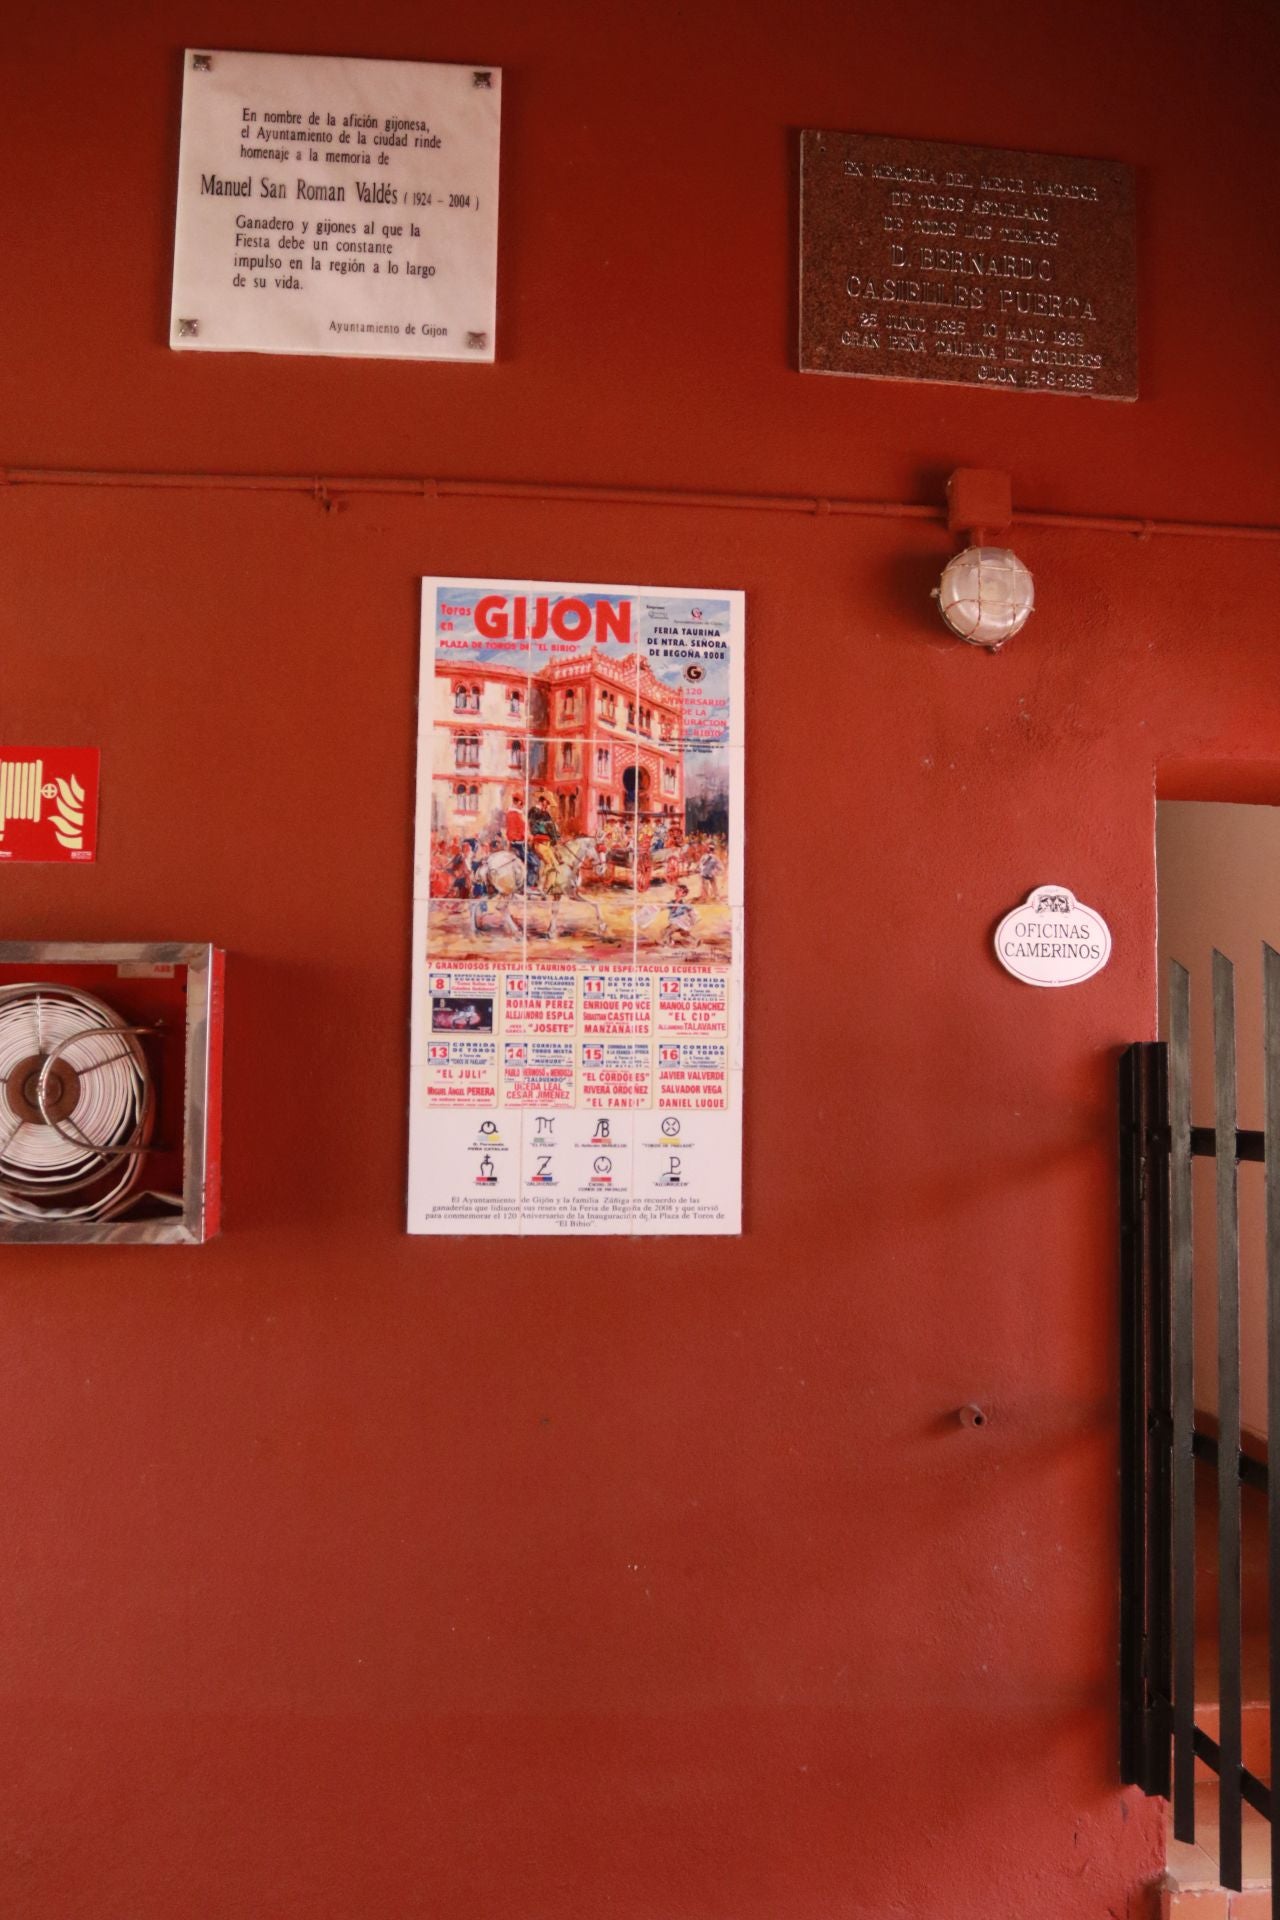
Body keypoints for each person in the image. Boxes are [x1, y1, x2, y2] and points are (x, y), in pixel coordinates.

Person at [505, 792, 537, 888]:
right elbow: (523, 832)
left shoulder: (510, 813)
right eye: (521, 803)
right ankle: (528, 885)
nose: (522, 806)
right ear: (518, 803)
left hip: (513, 843)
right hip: (519, 844)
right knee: (535, 863)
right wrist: (531, 837)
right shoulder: (517, 815)